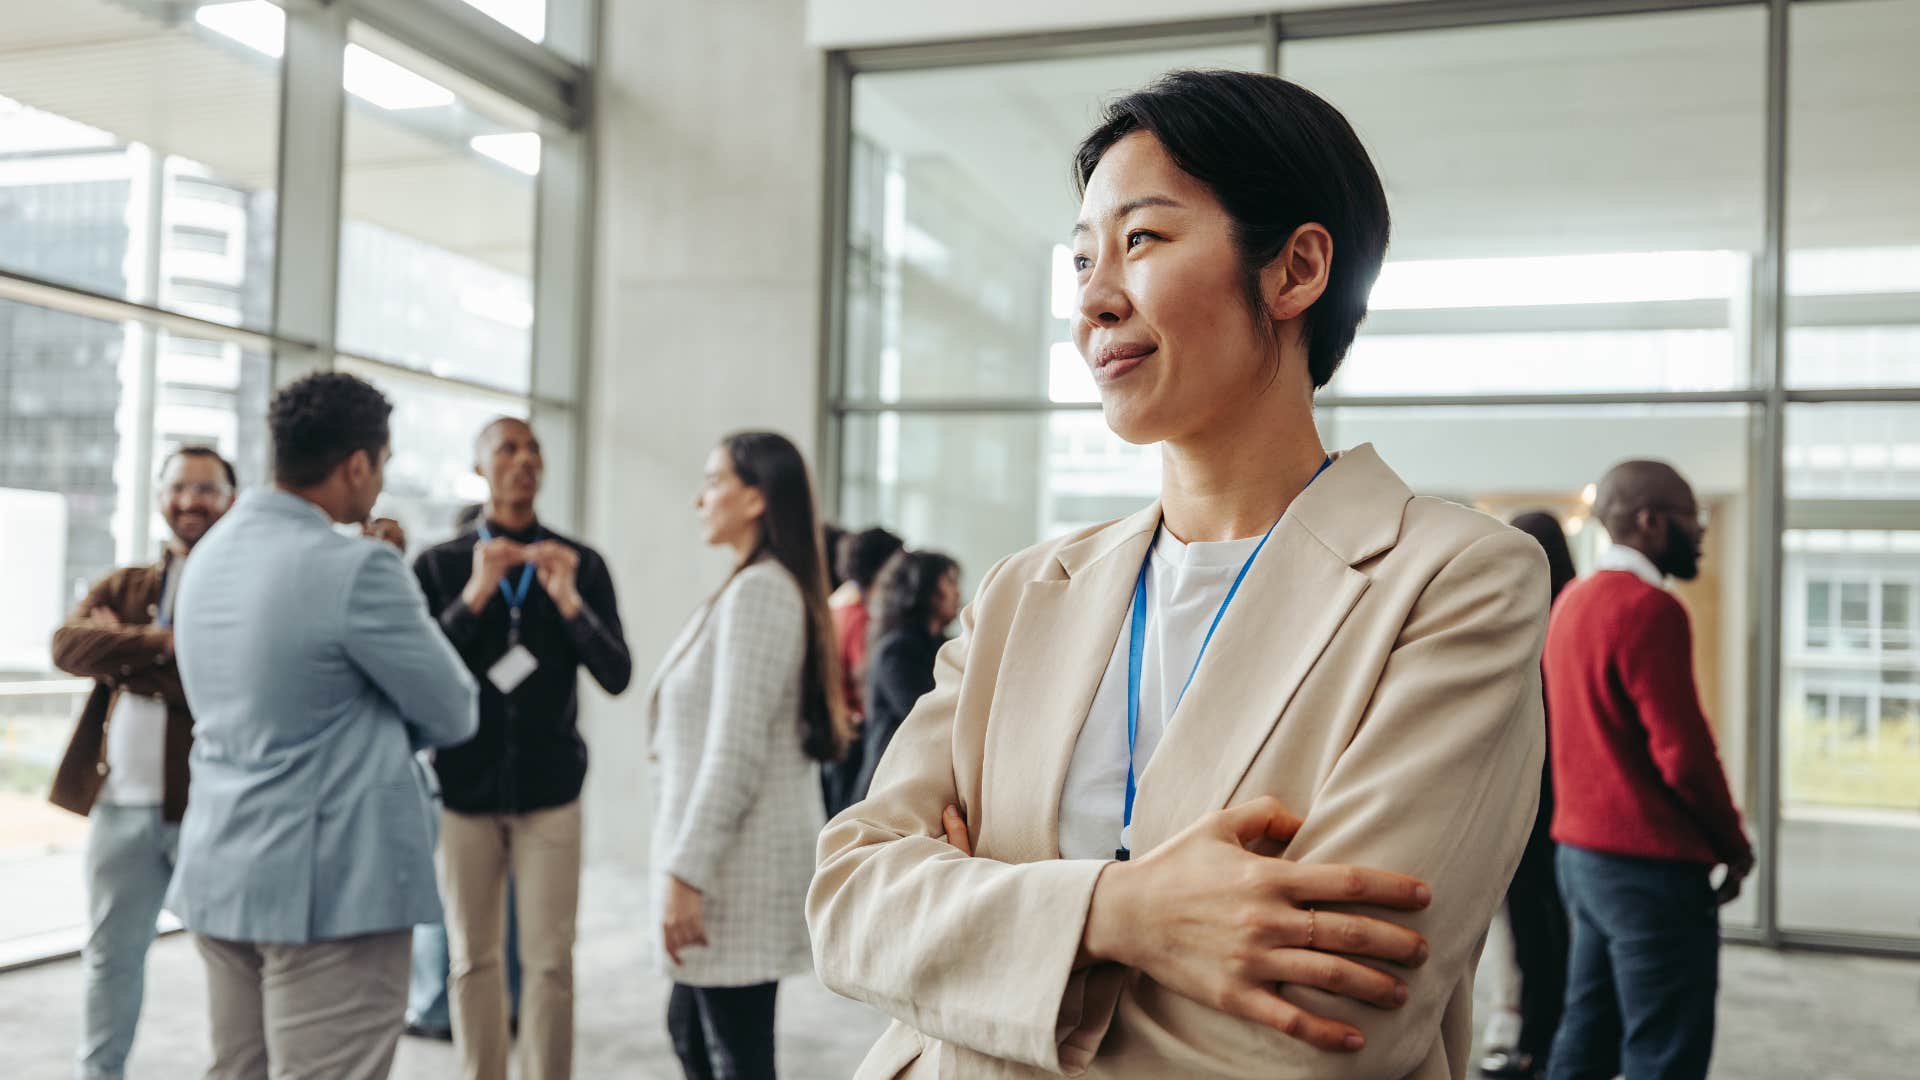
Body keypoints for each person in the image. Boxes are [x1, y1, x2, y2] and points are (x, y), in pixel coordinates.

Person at [808, 69, 1551, 1079]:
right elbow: (850, 907)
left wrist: (980, 950)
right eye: (1080, 259)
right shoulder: (1025, 594)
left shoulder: (1454, 583)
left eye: (1142, 240)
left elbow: (1319, 1029)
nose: (1093, 299)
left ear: (1294, 271)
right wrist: (1122, 913)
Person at [167, 372, 478, 1079]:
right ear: (357, 463)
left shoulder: (206, 556)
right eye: (385, 464)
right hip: (331, 888)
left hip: (222, 869)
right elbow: (455, 710)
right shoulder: (358, 567)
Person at [413, 416, 632, 1080]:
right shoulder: (441, 565)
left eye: (533, 448)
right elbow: (422, 673)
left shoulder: (579, 563)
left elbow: (617, 673)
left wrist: (567, 600)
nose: (524, 459)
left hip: (550, 793)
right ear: (481, 468)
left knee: (549, 962)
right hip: (465, 791)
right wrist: (478, 595)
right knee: (471, 958)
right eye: (507, 449)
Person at [646, 431, 848, 1080]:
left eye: (714, 481)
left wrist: (686, 873)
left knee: (732, 1053)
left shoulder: (761, 592)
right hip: (726, 863)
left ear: (756, 498)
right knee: (693, 1032)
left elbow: (734, 750)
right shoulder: (754, 585)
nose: (700, 498)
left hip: (732, 869)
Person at [1545, 462, 1754, 1080]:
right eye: (1695, 519)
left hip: (1581, 860)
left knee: (1585, 1033)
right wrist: (1733, 845)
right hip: (1651, 873)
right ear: (1652, 521)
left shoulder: (1571, 601)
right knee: (1664, 1054)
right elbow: (1684, 756)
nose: (1702, 533)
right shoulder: (1651, 609)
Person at [47, 446, 236, 1080]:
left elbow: (226, 677)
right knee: (111, 958)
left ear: (231, 500)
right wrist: (166, 644)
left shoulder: (243, 587)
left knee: (232, 957)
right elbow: (68, 645)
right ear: (160, 495)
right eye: (180, 487)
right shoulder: (127, 584)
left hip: (208, 810)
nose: (191, 501)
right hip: (119, 807)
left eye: (207, 490)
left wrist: (126, 659)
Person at [404, 500, 523, 1046]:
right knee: (453, 909)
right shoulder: (438, 575)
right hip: (455, 775)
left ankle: (493, 1004)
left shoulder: (550, 573)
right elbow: (429, 660)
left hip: (527, 781)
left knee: (498, 911)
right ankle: (435, 1006)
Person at [1478, 511, 1578, 1080]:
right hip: (1567, 802)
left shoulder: (1515, 625)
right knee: (1556, 931)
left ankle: (1533, 1044)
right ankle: (1544, 1041)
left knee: (1531, 933)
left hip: (1522, 799)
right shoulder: (1572, 620)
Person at [847, 549, 961, 805]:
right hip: (888, 788)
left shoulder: (943, 645)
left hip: (916, 780)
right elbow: (927, 716)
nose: (957, 593)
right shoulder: (897, 649)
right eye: (950, 581)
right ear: (926, 589)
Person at [822, 527, 904, 816]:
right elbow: (863, 681)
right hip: (854, 742)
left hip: (836, 737)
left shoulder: (835, 607)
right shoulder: (860, 618)